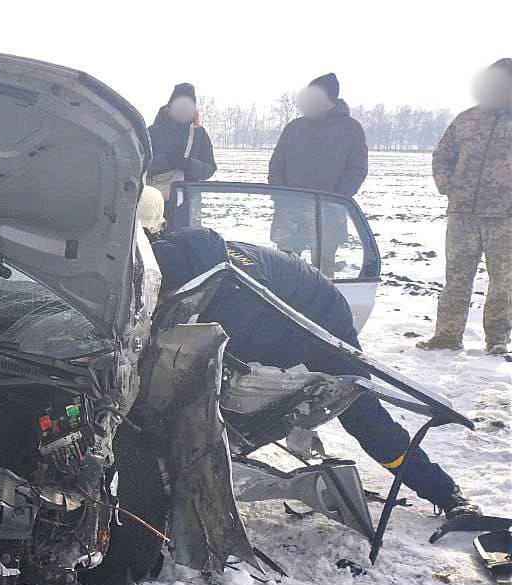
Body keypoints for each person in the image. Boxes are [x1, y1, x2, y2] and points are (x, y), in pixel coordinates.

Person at [139, 193, 479, 521]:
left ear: (179, 285)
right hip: (286, 301)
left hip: (320, 321)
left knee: (361, 414)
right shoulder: (180, 251)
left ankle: (443, 491)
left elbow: (232, 360)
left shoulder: (238, 300)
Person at [418, 58, 512, 355]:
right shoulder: (467, 119)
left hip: (505, 218)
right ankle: (447, 336)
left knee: (503, 282)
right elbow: (442, 156)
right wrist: (449, 186)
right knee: (456, 279)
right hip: (462, 215)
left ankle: (497, 339)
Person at [268, 73, 369, 273]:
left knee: (324, 269)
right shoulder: (295, 127)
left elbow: (357, 170)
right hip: (290, 212)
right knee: (284, 268)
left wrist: (336, 199)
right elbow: (276, 165)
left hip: (329, 213)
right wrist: (281, 196)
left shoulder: (351, 129)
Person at [147, 82, 216, 214]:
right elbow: (141, 166)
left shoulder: (199, 134)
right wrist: (167, 161)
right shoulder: (153, 132)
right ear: (171, 104)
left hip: (188, 204)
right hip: (156, 203)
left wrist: (189, 164)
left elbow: (210, 168)